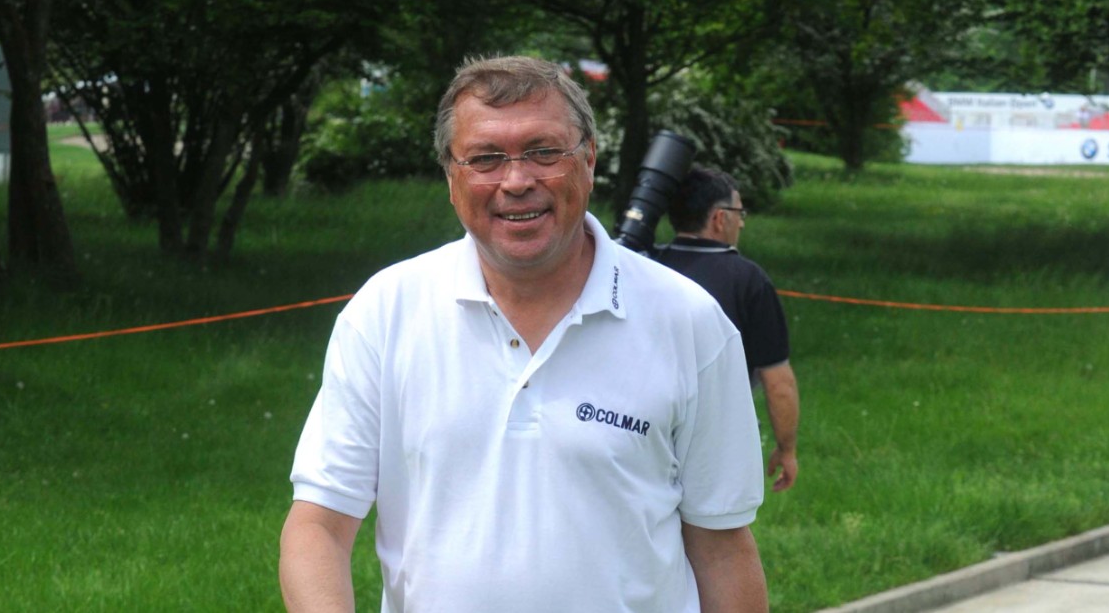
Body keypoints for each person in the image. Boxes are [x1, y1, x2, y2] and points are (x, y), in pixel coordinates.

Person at [278, 55, 768, 612]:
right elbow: (318, 526)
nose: (516, 181)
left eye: (543, 152)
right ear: (451, 177)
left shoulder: (690, 322)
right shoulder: (385, 313)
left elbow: (722, 548)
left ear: (588, 159)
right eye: (485, 158)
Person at [653, 167, 800, 493]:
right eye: (739, 213)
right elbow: (778, 381)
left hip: (645, 431)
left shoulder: (645, 265)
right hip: (717, 440)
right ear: (720, 218)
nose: (742, 223)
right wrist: (787, 448)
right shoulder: (749, 280)